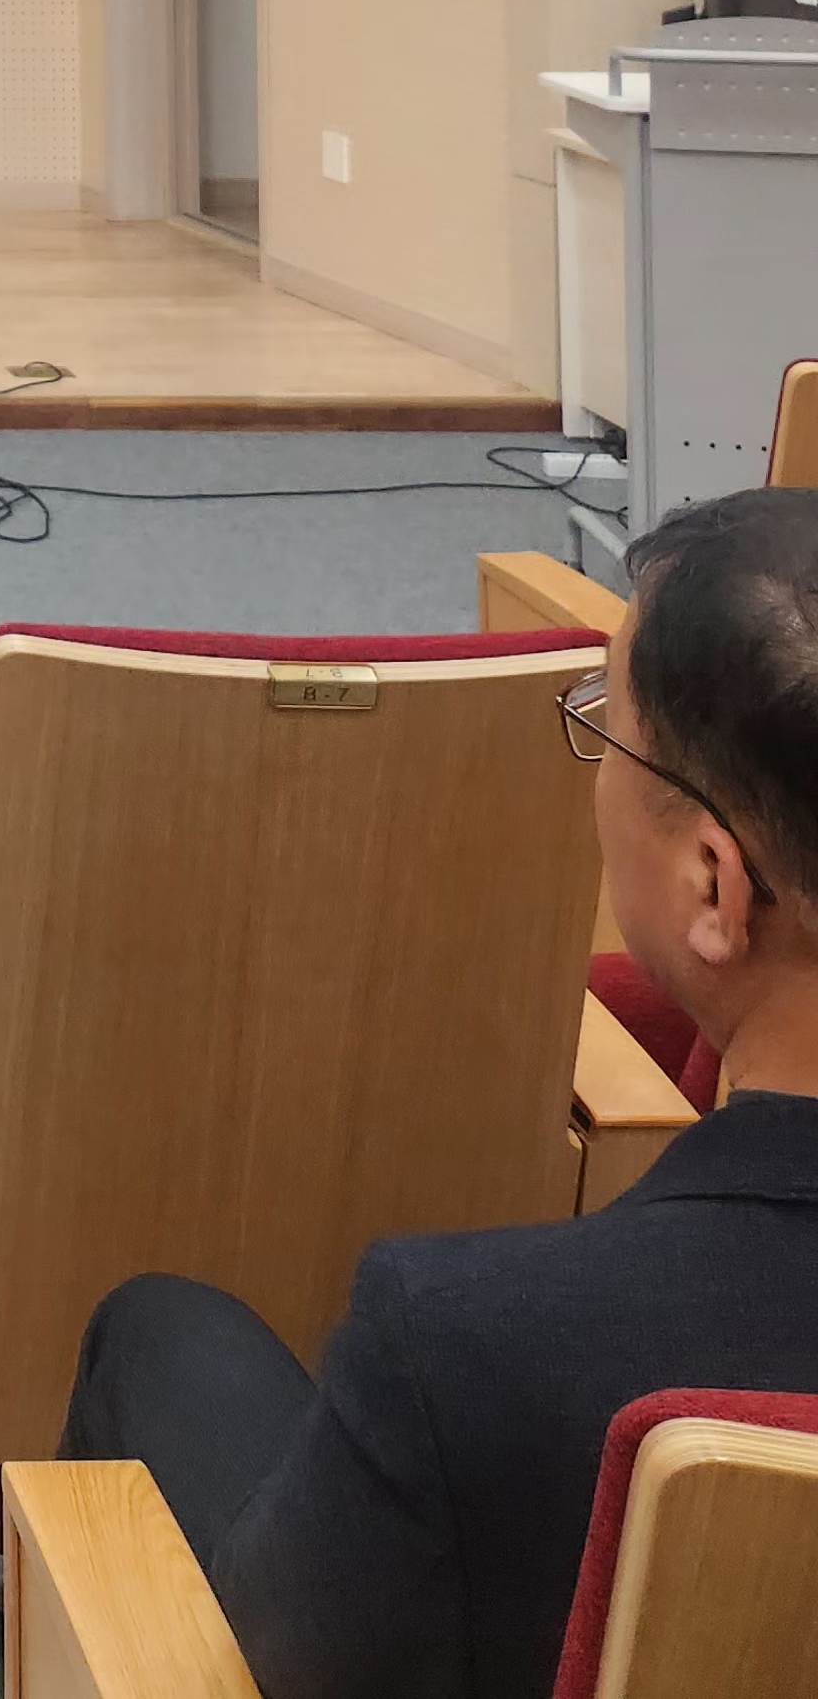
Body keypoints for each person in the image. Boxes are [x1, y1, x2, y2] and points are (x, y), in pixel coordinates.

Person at [58, 484, 818, 1699]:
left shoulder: (471, 1345)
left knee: (155, 1333)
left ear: (714, 887)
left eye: (608, 734)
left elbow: (288, 1663)